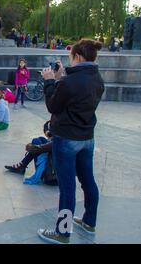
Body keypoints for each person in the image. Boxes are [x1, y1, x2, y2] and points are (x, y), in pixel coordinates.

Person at [37, 39, 105, 244]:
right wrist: (60, 79)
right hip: (87, 138)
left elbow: (53, 106)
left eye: (71, 58)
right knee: (88, 181)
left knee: (67, 188)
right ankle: (89, 222)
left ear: (77, 57)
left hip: (67, 139)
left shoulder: (70, 82)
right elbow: (76, 96)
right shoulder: (97, 78)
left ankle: (62, 232)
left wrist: (50, 81)